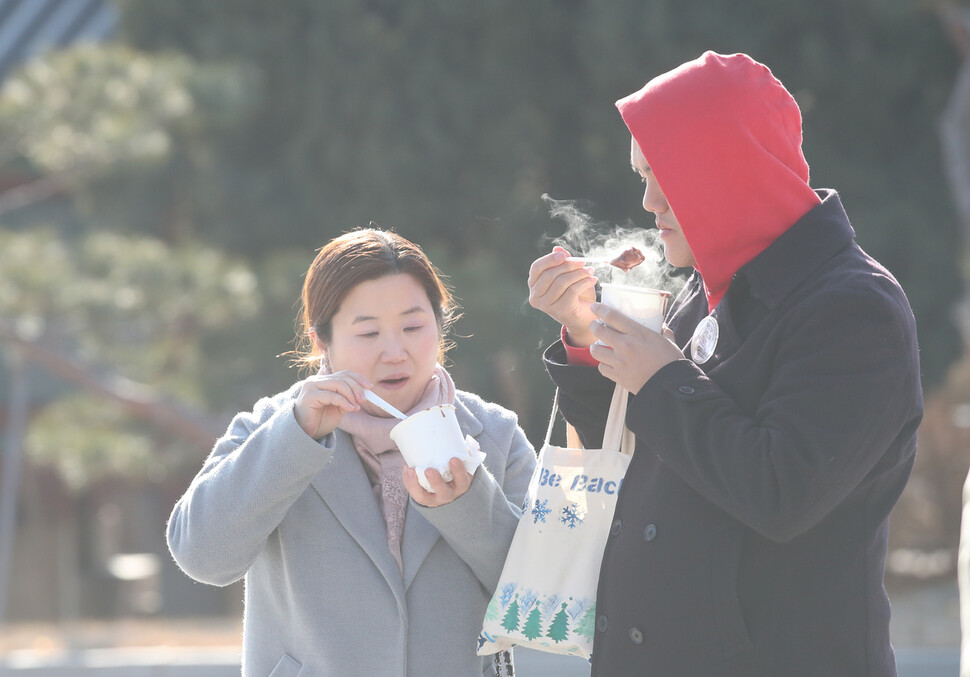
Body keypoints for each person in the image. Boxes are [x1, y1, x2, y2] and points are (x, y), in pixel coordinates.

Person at [527, 51, 922, 676]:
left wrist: (661, 377)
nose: (651, 202)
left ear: (729, 169)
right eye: (642, 175)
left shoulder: (854, 306)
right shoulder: (708, 286)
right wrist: (585, 341)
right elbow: (637, 446)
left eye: (666, 175)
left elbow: (781, 493)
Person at [168, 227, 536, 676]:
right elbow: (202, 556)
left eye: (413, 326)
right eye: (368, 333)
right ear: (321, 341)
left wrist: (468, 506)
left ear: (441, 326)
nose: (395, 351)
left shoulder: (495, 437)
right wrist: (296, 437)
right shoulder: (275, 427)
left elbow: (540, 598)